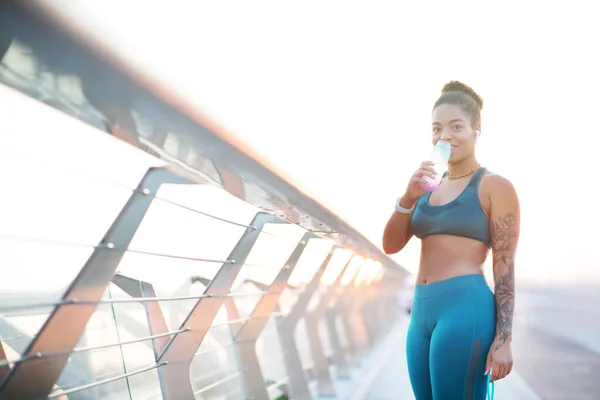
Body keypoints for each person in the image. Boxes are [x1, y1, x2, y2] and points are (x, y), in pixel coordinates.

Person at [382, 81, 520, 400]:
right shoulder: (426, 187)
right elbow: (391, 244)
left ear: (476, 130)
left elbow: (505, 265)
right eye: (437, 128)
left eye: (456, 126)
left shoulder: (494, 186)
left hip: (465, 308)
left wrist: (504, 341)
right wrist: (408, 196)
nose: (446, 135)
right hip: (421, 312)